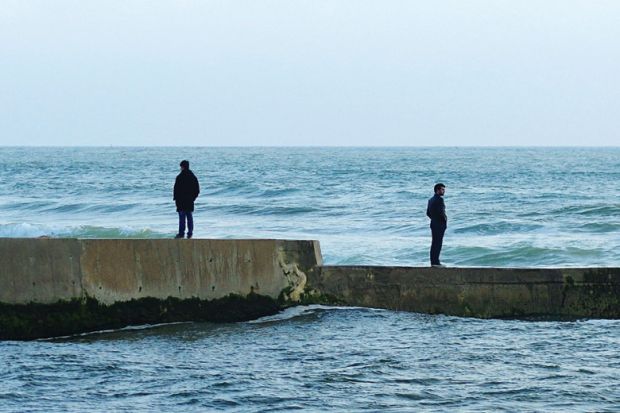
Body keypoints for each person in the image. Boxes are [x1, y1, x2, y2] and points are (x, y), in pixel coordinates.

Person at [173, 160, 200, 239]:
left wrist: (175, 199)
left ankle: (181, 234)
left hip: (181, 201)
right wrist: (193, 198)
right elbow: (197, 190)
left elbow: (176, 190)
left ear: (182, 167)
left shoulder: (179, 177)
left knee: (182, 218)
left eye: (181, 167)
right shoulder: (193, 177)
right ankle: (190, 233)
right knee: (189, 217)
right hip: (189, 201)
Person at [426, 183, 447, 267]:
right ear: (437, 190)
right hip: (439, 224)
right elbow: (441, 212)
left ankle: (433, 262)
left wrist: (434, 219)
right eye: (442, 189)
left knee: (434, 243)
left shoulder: (431, 200)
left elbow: (428, 213)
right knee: (438, 243)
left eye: (444, 189)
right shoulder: (439, 200)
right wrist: (444, 220)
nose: (443, 191)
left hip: (433, 223)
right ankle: (436, 262)